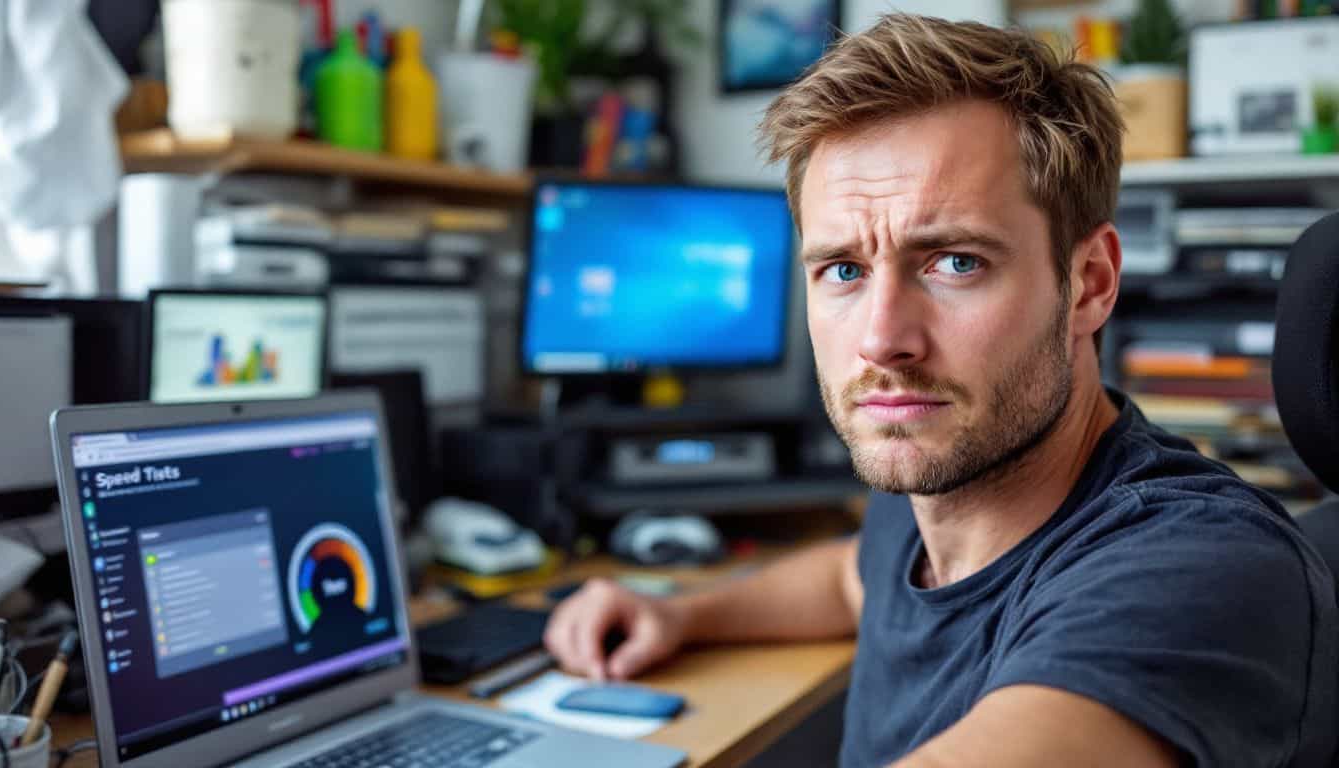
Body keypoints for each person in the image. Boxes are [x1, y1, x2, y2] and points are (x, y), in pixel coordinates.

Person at [543, 14, 1338, 767]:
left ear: (1089, 283)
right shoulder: (940, 472)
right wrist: (680, 614)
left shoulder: (1200, 569)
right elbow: (849, 579)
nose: (883, 339)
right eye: (844, 270)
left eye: (956, 262)